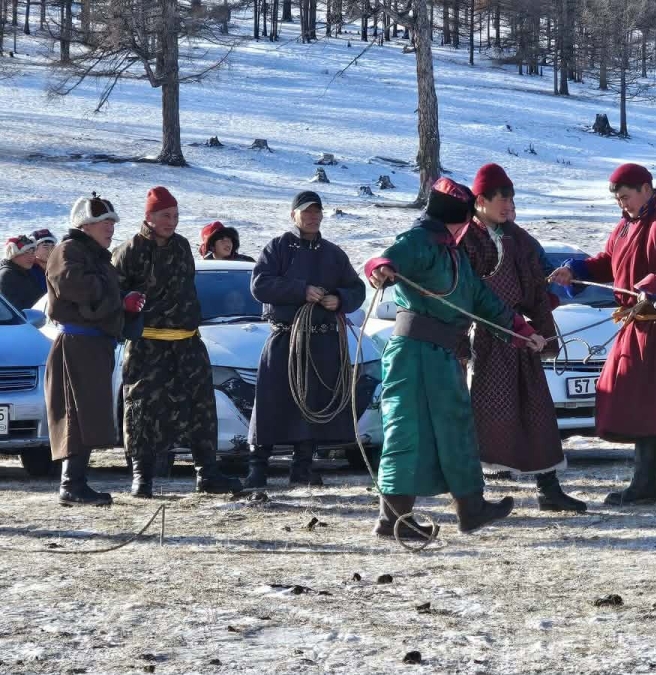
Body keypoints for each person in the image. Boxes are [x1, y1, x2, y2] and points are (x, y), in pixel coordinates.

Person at [363, 177, 548, 537]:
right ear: (460, 218)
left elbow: (483, 300)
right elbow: (383, 261)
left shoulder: (453, 253)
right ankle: (392, 520)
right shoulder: (418, 240)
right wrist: (379, 269)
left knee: (457, 430)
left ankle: (471, 509)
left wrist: (523, 332)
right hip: (413, 355)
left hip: (443, 355)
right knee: (407, 431)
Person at [548, 163, 656, 509]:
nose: (621, 204)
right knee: (643, 404)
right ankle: (644, 485)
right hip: (639, 327)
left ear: (646, 189)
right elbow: (609, 261)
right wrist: (576, 270)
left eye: (625, 197)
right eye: (618, 199)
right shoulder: (624, 226)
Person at [457, 164, 586, 512]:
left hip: (521, 338)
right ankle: (473, 498)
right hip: (481, 339)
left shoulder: (520, 238)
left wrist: (552, 289)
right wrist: (459, 345)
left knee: (537, 413)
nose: (508, 205)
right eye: (500, 199)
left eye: (511, 199)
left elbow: (541, 279)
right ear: (480, 201)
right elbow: (460, 292)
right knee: (479, 417)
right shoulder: (465, 238)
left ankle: (549, 490)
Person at [112, 186, 243, 497]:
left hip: (187, 343)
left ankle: (207, 473)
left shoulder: (182, 246)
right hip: (148, 345)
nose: (171, 222)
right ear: (149, 216)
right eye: (165, 216)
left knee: (202, 407)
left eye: (175, 216)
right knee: (142, 409)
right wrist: (126, 303)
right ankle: (142, 476)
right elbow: (113, 295)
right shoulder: (129, 251)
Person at [246, 191, 367, 488]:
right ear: (294, 215)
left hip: (322, 343)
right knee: (271, 404)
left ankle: (302, 468)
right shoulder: (277, 248)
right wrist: (300, 290)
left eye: (316, 211)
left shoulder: (334, 254)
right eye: (306, 211)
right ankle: (257, 469)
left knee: (313, 405)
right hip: (285, 339)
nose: (312, 216)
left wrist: (339, 299)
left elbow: (357, 289)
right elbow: (259, 285)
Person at [44, 195, 143, 506]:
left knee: (87, 413)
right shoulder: (68, 250)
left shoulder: (95, 255)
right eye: (104, 222)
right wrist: (118, 298)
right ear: (85, 225)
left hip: (93, 344)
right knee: (76, 413)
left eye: (112, 222)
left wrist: (125, 304)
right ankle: (71, 485)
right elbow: (73, 286)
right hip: (77, 345)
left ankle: (76, 483)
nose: (110, 228)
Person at [0, 235, 44, 310]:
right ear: (12, 254)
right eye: (26, 253)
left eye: (32, 252)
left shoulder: (25, 271)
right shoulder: (7, 276)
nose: (31, 257)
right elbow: (12, 310)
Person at [30, 228, 57, 292]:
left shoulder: (58, 267)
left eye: (52, 246)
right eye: (45, 246)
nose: (50, 250)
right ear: (34, 250)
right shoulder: (28, 271)